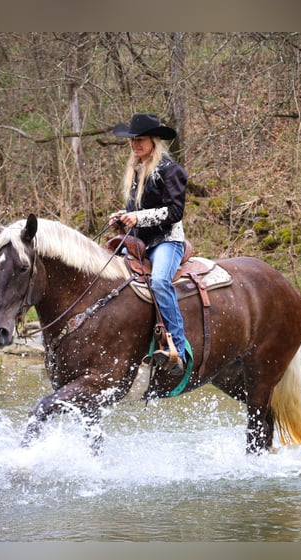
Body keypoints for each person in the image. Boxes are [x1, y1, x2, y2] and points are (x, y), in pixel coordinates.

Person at [108, 113, 188, 377]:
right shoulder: (137, 170)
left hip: (167, 241)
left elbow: (175, 211)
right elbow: (138, 209)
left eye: (140, 140)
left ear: (154, 141)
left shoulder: (170, 170)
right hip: (140, 241)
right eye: (132, 141)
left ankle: (178, 347)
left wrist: (139, 217)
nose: (135, 145)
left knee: (160, 282)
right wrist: (122, 215)